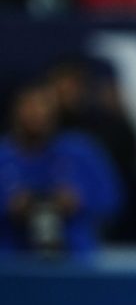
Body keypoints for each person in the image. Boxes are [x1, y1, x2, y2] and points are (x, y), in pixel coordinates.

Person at [0, 82, 122, 260]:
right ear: (15, 110)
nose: (37, 113)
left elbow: (112, 200)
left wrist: (77, 201)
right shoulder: (3, 155)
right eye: (29, 105)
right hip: (10, 264)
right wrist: (10, 206)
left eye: (43, 105)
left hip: (74, 261)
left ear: (55, 111)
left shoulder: (81, 151)